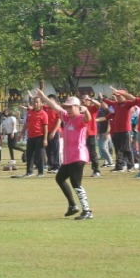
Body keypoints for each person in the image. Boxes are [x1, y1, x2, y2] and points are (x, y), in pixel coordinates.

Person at [37, 89, 92, 220]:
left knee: (76, 183)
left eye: (71, 107)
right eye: (66, 107)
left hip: (78, 156)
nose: (68, 109)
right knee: (60, 178)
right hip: (69, 158)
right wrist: (44, 96)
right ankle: (73, 205)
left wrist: (86, 110)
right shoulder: (67, 118)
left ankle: (87, 210)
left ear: (78, 107)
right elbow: (55, 107)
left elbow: (87, 119)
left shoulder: (79, 118)